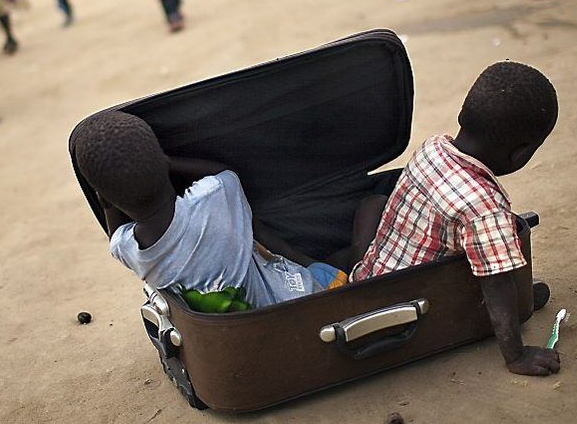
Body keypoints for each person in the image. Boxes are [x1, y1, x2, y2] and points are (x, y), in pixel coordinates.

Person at [352, 62, 561, 377]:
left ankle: (524, 296)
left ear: (464, 115)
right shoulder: (485, 207)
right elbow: (496, 283)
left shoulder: (433, 148)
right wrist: (517, 356)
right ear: (520, 155)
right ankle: (520, 309)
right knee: (496, 272)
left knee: (374, 203)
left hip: (366, 280)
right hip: (408, 309)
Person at [70, 111, 386, 309]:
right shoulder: (211, 198)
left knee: (299, 257)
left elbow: (114, 236)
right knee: (361, 221)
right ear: (163, 163)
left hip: (257, 321)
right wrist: (168, 163)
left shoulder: (131, 250)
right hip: (299, 294)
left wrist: (109, 203)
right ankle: (363, 255)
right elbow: (224, 173)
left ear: (104, 198)